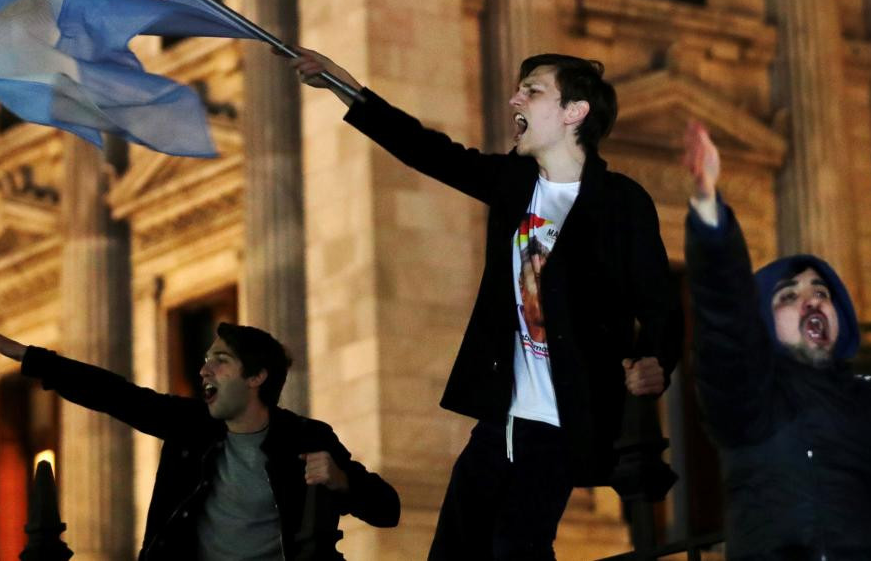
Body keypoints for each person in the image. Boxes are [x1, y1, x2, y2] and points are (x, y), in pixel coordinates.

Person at [289, 49, 681, 559]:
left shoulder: (621, 202)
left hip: (565, 420)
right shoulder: (514, 183)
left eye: (533, 90)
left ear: (574, 112)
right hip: (503, 417)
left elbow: (660, 305)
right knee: (453, 549)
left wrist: (655, 360)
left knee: (515, 547)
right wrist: (348, 89)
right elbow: (428, 151)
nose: (515, 98)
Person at [0, 315, 400, 560]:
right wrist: (29, 357)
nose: (204, 370)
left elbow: (387, 509)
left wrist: (343, 481)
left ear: (257, 377)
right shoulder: (193, 427)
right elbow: (116, 395)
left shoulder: (306, 437)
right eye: (206, 360)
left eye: (221, 361)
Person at [682, 121, 871, 559]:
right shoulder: (751, 396)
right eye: (789, 296)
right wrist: (709, 216)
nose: (811, 301)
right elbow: (725, 319)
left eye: (821, 293)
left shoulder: (870, 402)